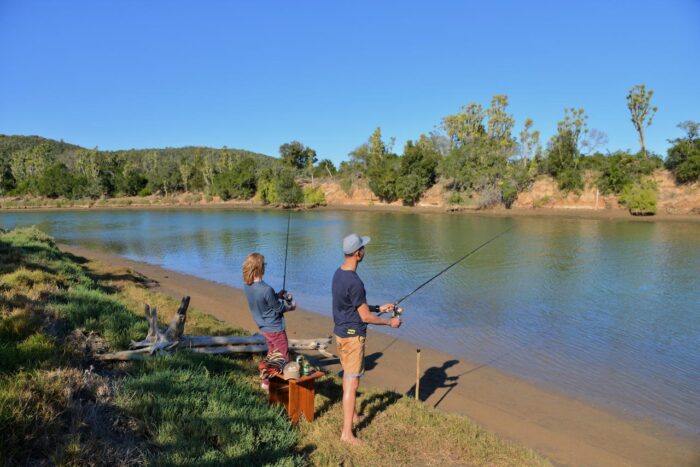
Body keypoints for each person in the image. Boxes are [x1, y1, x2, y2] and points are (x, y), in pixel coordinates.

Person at [332, 233, 401, 445]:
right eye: (363, 248)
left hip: (341, 334)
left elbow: (352, 305)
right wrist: (390, 322)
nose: (365, 251)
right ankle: (347, 434)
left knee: (349, 378)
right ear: (358, 254)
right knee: (352, 384)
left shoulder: (339, 274)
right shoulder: (356, 282)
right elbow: (365, 317)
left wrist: (380, 308)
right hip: (353, 339)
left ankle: (352, 415)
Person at [242, 252, 295, 392]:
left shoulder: (247, 286)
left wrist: (277, 295)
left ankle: (266, 383)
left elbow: (264, 300)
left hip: (264, 327)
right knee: (283, 357)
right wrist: (291, 307)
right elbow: (278, 308)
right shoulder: (266, 289)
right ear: (260, 268)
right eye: (264, 264)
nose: (265, 266)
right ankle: (284, 387)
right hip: (275, 328)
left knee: (272, 354)